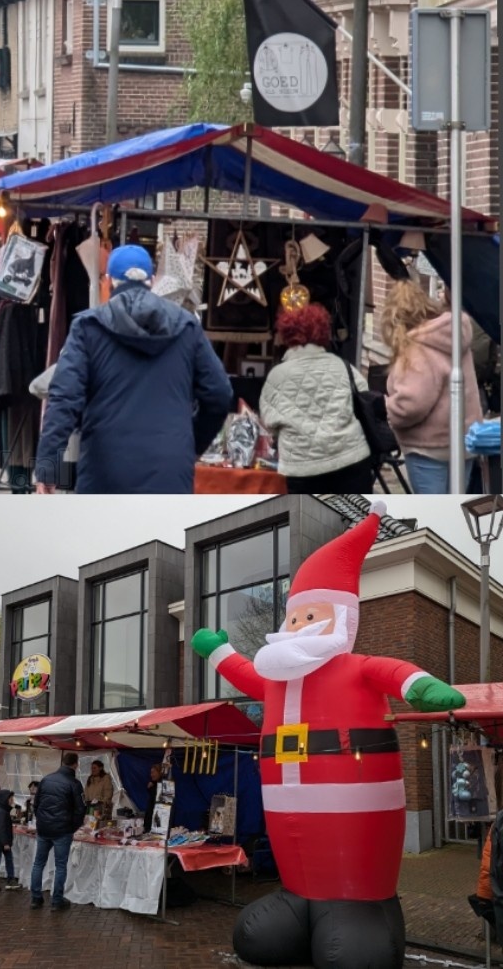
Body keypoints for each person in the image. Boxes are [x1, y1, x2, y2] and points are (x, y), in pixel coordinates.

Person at [192, 503, 464, 964]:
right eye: (294, 619)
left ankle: (362, 906)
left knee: (354, 947)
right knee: (266, 930)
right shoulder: (278, 679)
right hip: (289, 814)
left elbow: (395, 672)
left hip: (356, 812)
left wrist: (422, 687)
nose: (298, 628)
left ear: (342, 619)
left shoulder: (355, 668)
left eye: (310, 618)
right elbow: (244, 673)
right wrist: (219, 652)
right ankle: (299, 898)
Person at [35, 244, 232, 495]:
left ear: (108, 282)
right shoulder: (186, 327)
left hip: (104, 470)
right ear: (152, 281)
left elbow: (64, 399)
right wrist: (193, 442)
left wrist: (47, 468)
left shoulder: (88, 328)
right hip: (170, 469)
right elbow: (219, 394)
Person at [259, 302, 375, 494]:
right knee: (356, 521)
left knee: (309, 522)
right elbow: (366, 401)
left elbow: (269, 421)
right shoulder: (343, 366)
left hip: (303, 468)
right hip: (351, 460)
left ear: (287, 335)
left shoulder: (277, 376)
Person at [381, 279, 483, 493]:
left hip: (428, 448)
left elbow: (411, 405)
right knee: (455, 509)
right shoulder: (453, 334)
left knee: (433, 515)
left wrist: (386, 408)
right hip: (464, 443)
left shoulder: (417, 348)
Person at [30, 751, 84, 911]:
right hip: (62, 830)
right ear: (75, 764)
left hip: (44, 829)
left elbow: (36, 804)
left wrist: (41, 821)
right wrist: (72, 827)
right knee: (60, 865)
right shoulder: (74, 784)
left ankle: (36, 898)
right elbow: (80, 810)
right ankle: (57, 900)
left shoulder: (46, 780)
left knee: (38, 863)